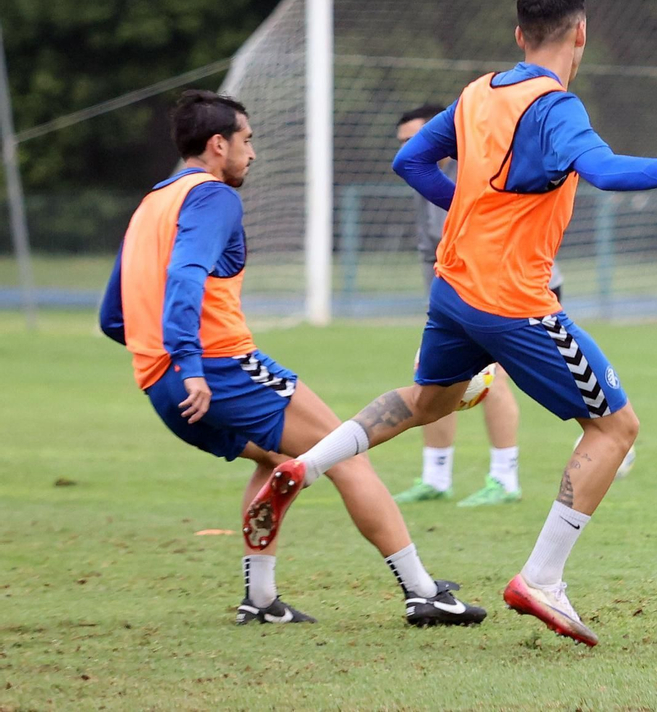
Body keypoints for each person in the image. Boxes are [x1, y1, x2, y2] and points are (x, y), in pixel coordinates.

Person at [244, 0, 657, 645]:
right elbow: (603, 170)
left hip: (453, 287)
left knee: (431, 402)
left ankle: (302, 466)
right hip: (513, 301)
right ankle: (542, 578)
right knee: (614, 429)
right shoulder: (555, 106)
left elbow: (410, 159)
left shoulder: (479, 91)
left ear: (519, 35)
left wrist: (461, 207)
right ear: (581, 33)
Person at [101, 90, 486, 627]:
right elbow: (187, 275)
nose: (253, 153)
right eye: (247, 140)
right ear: (218, 144)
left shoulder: (151, 203)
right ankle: (422, 592)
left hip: (160, 383)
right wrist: (192, 365)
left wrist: (169, 364)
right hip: (216, 369)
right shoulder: (212, 197)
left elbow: (112, 317)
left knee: (276, 460)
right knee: (347, 452)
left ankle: (260, 600)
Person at [391, 104, 563, 507]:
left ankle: (505, 480)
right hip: (464, 293)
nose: (411, 148)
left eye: (417, 138)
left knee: (492, 377)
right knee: (434, 375)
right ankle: (436, 478)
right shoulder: (425, 178)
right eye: (403, 143)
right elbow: (430, 250)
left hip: (517, 287)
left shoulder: (479, 170)